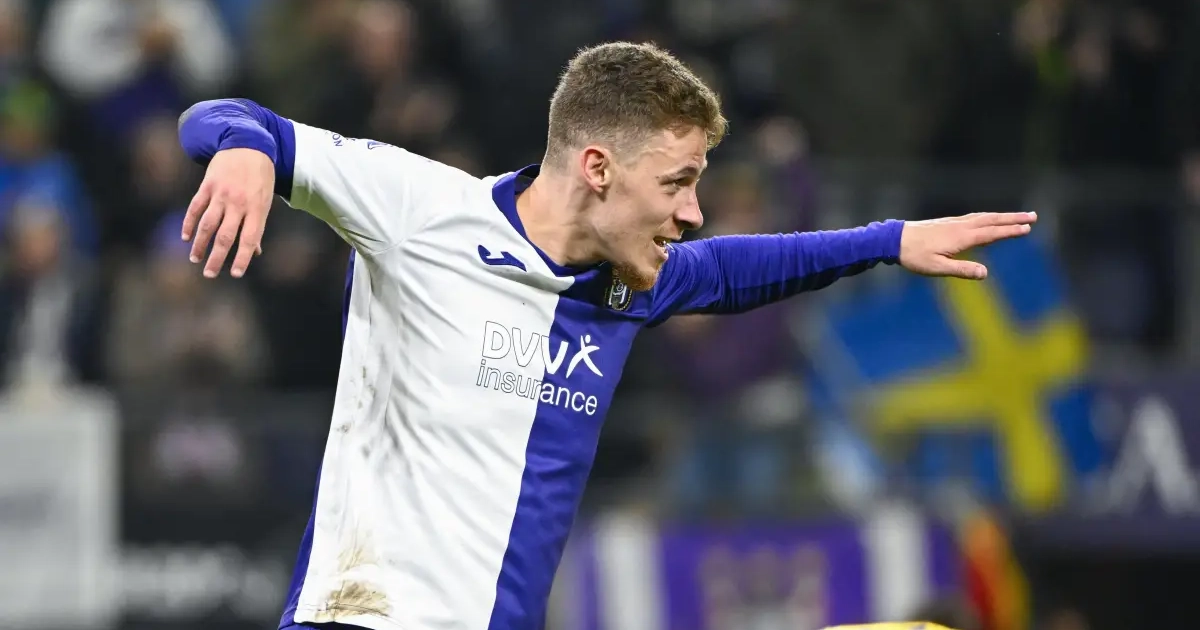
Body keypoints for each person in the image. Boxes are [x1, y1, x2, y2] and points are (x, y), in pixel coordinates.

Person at [177, 41, 1035, 630]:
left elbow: (740, 267)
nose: (692, 212)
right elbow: (220, 116)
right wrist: (246, 151)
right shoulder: (421, 211)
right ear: (598, 168)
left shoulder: (629, 285)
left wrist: (889, 241)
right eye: (677, 182)